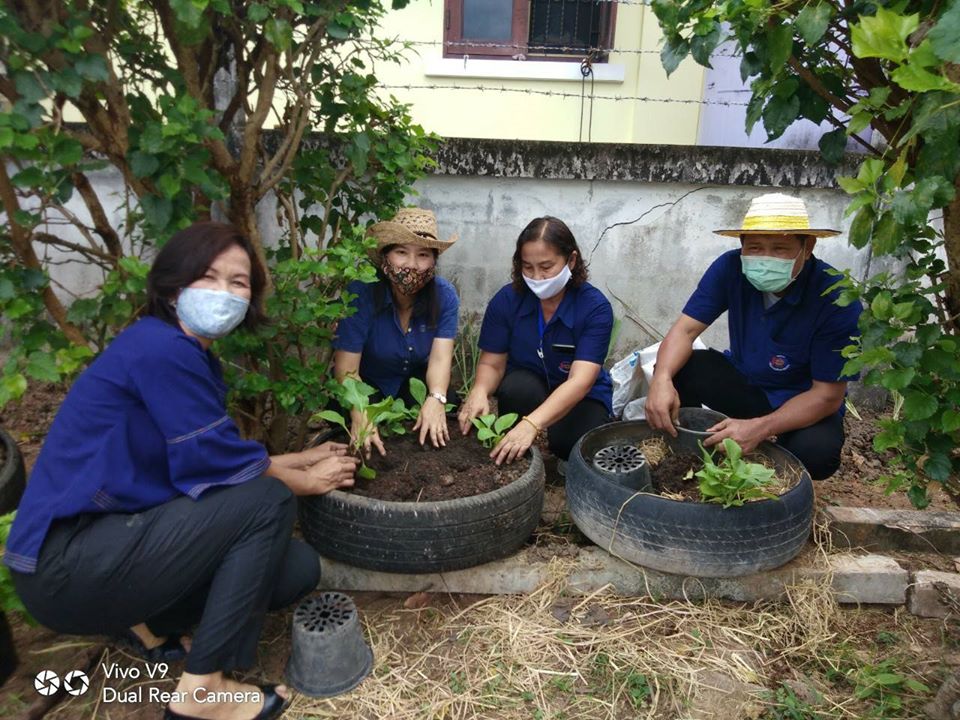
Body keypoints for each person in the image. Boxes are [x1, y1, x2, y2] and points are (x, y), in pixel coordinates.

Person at [5, 222, 359, 720]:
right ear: (172, 287)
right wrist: (305, 480)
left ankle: (146, 624)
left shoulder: (179, 350)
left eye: (238, 283)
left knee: (292, 571)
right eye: (208, 277)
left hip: (110, 546)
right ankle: (201, 692)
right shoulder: (161, 349)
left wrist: (293, 460)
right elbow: (223, 470)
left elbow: (202, 464)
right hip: (67, 565)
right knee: (270, 501)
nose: (224, 293)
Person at [645, 192, 863, 480]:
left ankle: (769, 452)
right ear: (741, 245)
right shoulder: (730, 269)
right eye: (756, 247)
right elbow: (685, 330)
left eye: (780, 248)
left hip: (802, 401)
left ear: (807, 246)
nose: (765, 258)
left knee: (816, 454)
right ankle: (691, 454)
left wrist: (760, 428)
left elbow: (827, 396)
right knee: (682, 369)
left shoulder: (836, 296)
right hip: (749, 385)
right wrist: (661, 379)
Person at [458, 216, 614, 466]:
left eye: (546, 266)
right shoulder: (507, 300)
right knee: (517, 388)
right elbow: (492, 364)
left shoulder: (594, 308)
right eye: (528, 267)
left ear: (571, 261)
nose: (537, 277)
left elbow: (580, 381)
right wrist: (479, 390)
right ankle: (521, 452)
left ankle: (554, 445)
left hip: (580, 394)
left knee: (571, 443)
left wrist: (532, 423)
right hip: (531, 383)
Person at [333, 207, 460, 453]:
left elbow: (440, 358)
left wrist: (436, 398)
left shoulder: (445, 296)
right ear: (385, 257)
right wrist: (361, 410)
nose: (412, 265)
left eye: (423, 255)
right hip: (366, 383)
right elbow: (347, 370)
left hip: (413, 383)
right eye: (402, 252)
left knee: (443, 406)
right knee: (350, 428)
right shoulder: (360, 293)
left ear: (434, 261)